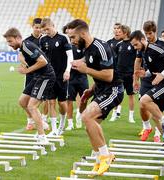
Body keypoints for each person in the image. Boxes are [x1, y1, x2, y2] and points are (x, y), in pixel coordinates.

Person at [67, 19, 124, 175]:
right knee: (89, 126)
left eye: (73, 37)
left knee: (87, 117)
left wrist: (85, 69)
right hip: (100, 90)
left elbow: (108, 76)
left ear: (83, 33)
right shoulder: (88, 48)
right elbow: (97, 72)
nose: (71, 42)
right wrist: (91, 90)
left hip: (113, 90)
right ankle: (99, 161)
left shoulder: (101, 47)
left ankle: (106, 155)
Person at [3, 27, 55, 143]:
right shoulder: (23, 47)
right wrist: (25, 65)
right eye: (7, 42)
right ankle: (39, 122)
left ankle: (42, 136)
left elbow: (43, 61)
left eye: (10, 41)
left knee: (32, 106)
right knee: (22, 101)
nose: (9, 44)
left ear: (17, 38)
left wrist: (27, 70)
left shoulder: (27, 46)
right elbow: (22, 55)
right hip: (37, 76)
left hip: (46, 77)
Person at [130, 30, 164, 148]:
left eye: (136, 44)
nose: (135, 48)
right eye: (133, 46)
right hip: (160, 84)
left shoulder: (154, 48)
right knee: (155, 114)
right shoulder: (144, 52)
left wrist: (162, 74)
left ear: (142, 40)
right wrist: (144, 74)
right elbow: (153, 71)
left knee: (144, 100)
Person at [39, 18, 74, 135]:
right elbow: (41, 58)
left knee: (62, 103)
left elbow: (70, 56)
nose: (46, 32)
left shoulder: (63, 38)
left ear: (53, 25)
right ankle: (54, 129)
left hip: (62, 75)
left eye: (47, 29)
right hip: (49, 75)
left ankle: (62, 123)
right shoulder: (43, 40)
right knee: (51, 102)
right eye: (44, 30)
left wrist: (67, 71)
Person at [23, 18, 50, 131]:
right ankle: (30, 121)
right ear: (32, 26)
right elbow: (22, 56)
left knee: (46, 98)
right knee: (27, 98)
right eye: (36, 27)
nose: (38, 30)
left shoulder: (45, 40)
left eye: (40, 28)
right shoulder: (27, 41)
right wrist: (27, 65)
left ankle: (43, 119)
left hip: (44, 74)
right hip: (31, 74)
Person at [62, 25, 89, 130]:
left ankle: (79, 114)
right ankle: (70, 124)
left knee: (84, 99)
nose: (70, 35)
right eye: (68, 33)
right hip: (71, 77)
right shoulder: (65, 46)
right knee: (69, 100)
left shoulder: (81, 45)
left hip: (82, 76)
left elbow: (87, 57)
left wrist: (80, 61)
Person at [109, 25, 136, 123]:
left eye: (120, 31)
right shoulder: (119, 44)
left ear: (125, 33)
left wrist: (135, 73)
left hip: (130, 74)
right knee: (116, 94)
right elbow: (115, 59)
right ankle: (114, 114)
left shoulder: (133, 44)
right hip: (119, 74)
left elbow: (137, 60)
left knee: (131, 95)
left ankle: (131, 116)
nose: (118, 33)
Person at [107, 23, 123, 121]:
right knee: (114, 91)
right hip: (113, 71)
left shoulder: (125, 42)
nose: (116, 30)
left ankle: (118, 111)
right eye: (115, 28)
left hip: (125, 71)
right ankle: (115, 112)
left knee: (122, 92)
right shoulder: (109, 42)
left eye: (118, 28)